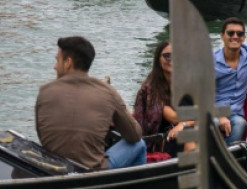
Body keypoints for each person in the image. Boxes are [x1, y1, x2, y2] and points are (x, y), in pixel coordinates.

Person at [36, 36, 146, 170]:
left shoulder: (45, 91)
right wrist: (116, 113)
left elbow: (43, 136)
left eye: (57, 60)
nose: (54, 66)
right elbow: (134, 135)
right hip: (92, 172)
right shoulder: (107, 92)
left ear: (68, 62)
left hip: (53, 170)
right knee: (139, 144)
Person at [133, 41, 195, 155]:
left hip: (182, 129)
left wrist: (184, 124)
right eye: (167, 56)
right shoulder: (151, 87)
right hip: (159, 137)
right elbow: (174, 117)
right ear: (158, 59)